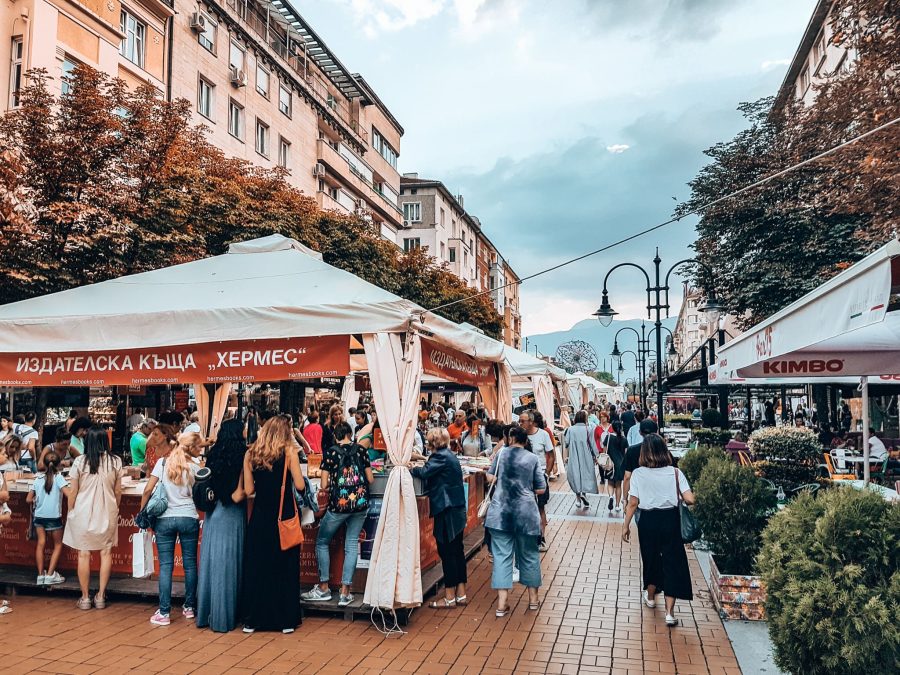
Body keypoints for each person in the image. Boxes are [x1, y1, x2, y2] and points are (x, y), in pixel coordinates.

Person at [622, 434, 695, 627]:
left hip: (648, 520)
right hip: (670, 520)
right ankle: (670, 613)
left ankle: (651, 597)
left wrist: (625, 525)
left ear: (644, 453)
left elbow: (633, 503)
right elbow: (690, 499)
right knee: (673, 561)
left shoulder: (638, 473)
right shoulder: (675, 473)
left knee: (651, 558)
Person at [242, 415, 305, 633]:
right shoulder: (289, 453)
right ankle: (285, 620)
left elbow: (249, 491)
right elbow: (299, 485)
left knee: (257, 567)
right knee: (284, 568)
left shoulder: (250, 454)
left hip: (260, 517)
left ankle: (253, 620)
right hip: (283, 517)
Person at [302, 421, 373, 607]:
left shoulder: (331, 452)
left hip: (338, 506)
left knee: (322, 541)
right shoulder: (361, 450)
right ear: (350, 434)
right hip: (360, 504)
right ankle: (345, 592)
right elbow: (371, 479)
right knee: (351, 545)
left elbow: (324, 485)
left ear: (335, 435)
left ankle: (324, 588)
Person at [485, 426, 546, 617]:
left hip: (500, 513)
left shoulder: (501, 454)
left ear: (511, 438)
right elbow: (541, 489)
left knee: (502, 557)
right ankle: (534, 600)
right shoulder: (533, 458)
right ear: (525, 440)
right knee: (529, 554)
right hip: (526, 514)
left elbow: (489, 477)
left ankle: (502, 604)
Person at [141, 432, 201, 626]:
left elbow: (148, 489)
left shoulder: (163, 464)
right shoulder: (195, 466)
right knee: (190, 564)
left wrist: (143, 512)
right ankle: (189, 607)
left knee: (166, 566)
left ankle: (164, 612)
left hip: (165, 519)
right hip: (189, 516)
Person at [63, 426, 123, 610]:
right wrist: (116, 507)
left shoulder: (80, 462)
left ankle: (85, 597)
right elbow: (118, 490)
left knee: (83, 553)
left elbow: (73, 492)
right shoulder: (115, 462)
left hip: (82, 511)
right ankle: (101, 597)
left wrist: (70, 510)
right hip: (107, 510)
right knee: (106, 553)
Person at [196, 419, 247, 632]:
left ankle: (206, 614)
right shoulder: (243, 455)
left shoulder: (213, 454)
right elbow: (241, 492)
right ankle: (223, 617)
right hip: (232, 514)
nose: (245, 430)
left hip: (212, 514)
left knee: (211, 565)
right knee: (228, 567)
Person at [410, 427, 469, 608]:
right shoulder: (448, 454)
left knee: (447, 552)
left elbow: (425, 472)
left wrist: (410, 469)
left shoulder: (439, 457)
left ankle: (449, 596)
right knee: (457, 551)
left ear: (432, 443)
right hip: (456, 508)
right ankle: (461, 593)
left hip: (446, 509)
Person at [27, 451, 71, 586]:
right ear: (59, 464)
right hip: (54, 516)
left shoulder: (38, 479)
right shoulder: (59, 478)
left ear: (44, 464)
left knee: (41, 544)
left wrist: (37, 500)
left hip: (39, 516)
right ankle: (51, 574)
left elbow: (28, 499)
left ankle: (40, 575)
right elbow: (69, 494)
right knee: (57, 545)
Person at [518, 410, 553, 551]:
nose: (520, 424)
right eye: (519, 421)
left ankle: (541, 538)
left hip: (539, 476)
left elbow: (551, 455)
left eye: (523, 421)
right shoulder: (519, 436)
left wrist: (547, 473)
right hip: (522, 478)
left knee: (540, 507)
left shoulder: (543, 435)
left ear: (531, 421)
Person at [565, 410, 599, 509]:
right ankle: (584, 494)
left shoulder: (570, 429)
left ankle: (578, 500)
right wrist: (597, 456)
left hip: (574, 455)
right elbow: (592, 444)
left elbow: (566, 442)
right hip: (586, 455)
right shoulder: (588, 429)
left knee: (575, 475)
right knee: (585, 474)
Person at [622, 418, 659, 502]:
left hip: (638, 494)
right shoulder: (662, 450)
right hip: (659, 494)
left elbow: (627, 476)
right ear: (656, 432)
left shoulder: (632, 450)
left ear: (640, 432)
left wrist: (625, 498)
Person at [604, 420, 628, 513]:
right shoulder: (624, 439)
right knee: (618, 485)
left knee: (610, 482)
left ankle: (610, 496)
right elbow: (626, 453)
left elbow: (604, 450)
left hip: (610, 464)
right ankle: (617, 506)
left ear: (612, 428)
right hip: (620, 465)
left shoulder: (609, 437)